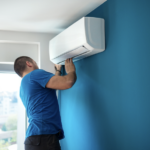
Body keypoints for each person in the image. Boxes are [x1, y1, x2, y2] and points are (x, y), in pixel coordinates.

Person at [14, 56, 77, 150]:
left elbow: (52, 85)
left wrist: (58, 72)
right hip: (43, 138)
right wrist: (71, 71)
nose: (37, 65)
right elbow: (68, 82)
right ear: (29, 63)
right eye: (35, 62)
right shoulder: (35, 74)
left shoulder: (23, 87)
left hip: (33, 140)